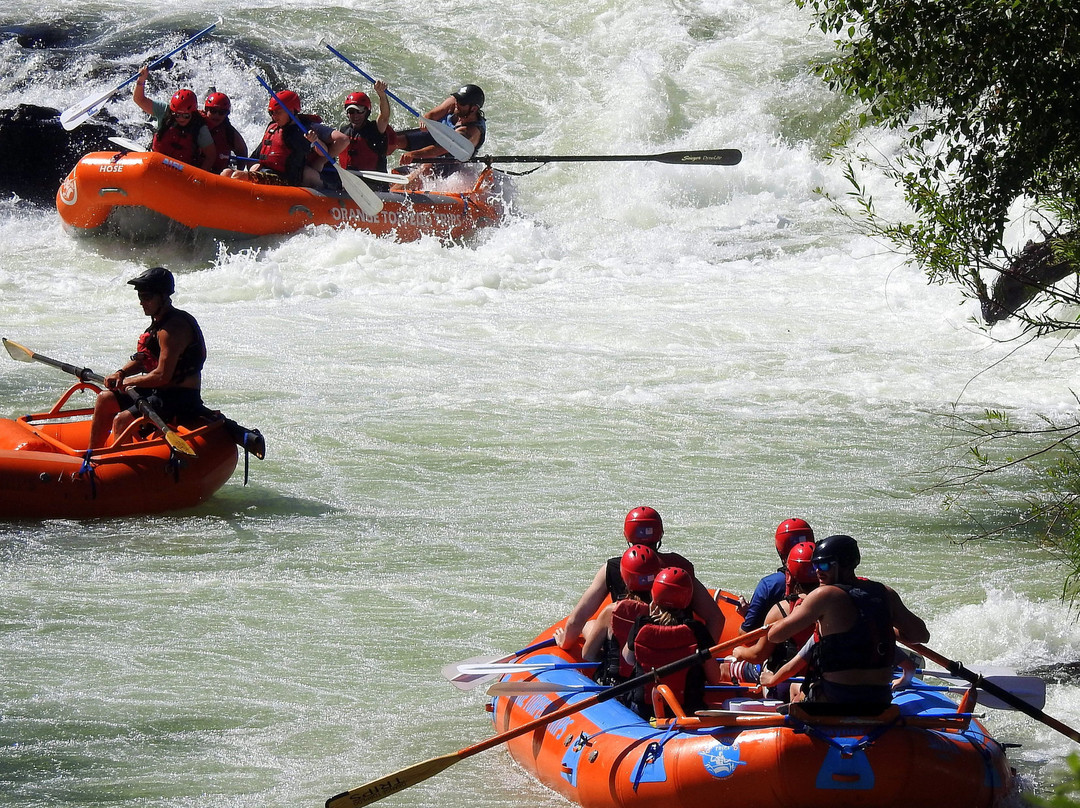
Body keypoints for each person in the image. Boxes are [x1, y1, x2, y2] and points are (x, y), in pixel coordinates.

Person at [765, 534, 930, 711]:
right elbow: (920, 635)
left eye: (824, 565)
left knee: (795, 688)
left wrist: (799, 612)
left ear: (843, 566)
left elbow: (775, 636)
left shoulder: (823, 595)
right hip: (879, 699)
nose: (818, 571)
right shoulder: (885, 593)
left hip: (835, 698)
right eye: (815, 566)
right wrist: (882, 625)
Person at [555, 506, 725, 649]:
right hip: (675, 648)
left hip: (628, 653)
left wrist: (564, 643)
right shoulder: (679, 569)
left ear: (626, 535)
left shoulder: (612, 568)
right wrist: (702, 658)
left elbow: (577, 619)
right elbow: (716, 618)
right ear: (660, 534)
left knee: (589, 624)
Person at [88, 267, 206, 450]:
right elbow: (144, 360)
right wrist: (120, 373)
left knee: (122, 420)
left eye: (147, 297)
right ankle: (91, 457)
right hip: (158, 393)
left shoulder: (173, 329)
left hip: (180, 399)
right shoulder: (158, 324)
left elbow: (162, 376)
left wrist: (128, 382)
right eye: (140, 297)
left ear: (163, 297)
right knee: (105, 398)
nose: (142, 303)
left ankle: (122, 472)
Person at [623, 567, 722, 718]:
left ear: (655, 593)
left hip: (644, 711)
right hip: (688, 710)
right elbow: (715, 678)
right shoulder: (697, 630)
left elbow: (628, 660)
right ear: (687, 597)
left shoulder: (641, 625)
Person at [730, 540, 819, 701]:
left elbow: (758, 654)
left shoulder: (779, 610)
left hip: (784, 682)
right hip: (820, 681)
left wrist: (740, 652)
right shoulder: (836, 603)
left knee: (729, 666)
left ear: (789, 576)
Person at [580, 544, 660, 686]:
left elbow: (588, 655)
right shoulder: (664, 612)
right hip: (649, 685)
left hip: (615, 683)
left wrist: (607, 654)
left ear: (624, 577)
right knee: (589, 626)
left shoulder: (611, 611)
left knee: (588, 626)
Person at [395, 84, 487, 185]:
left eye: (461, 102)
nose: (456, 102)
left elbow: (438, 149)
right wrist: (425, 121)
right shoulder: (454, 103)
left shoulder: (471, 132)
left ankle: (393, 193)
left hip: (449, 157)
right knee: (394, 141)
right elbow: (431, 115)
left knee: (424, 169)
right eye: (457, 98)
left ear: (473, 109)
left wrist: (413, 154)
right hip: (435, 137)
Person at [132, 64, 216, 171]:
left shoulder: (199, 127)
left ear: (193, 113)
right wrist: (141, 79)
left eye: (186, 116)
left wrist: (199, 179)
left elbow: (211, 155)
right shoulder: (165, 111)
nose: (180, 118)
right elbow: (139, 99)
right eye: (177, 115)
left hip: (182, 172)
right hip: (156, 164)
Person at [741, 518, 815, 632]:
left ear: (780, 550)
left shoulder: (769, 585)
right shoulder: (829, 578)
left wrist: (747, 613)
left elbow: (746, 635)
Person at [222, 90, 310, 186]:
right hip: (265, 172)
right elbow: (255, 157)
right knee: (226, 172)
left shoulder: (301, 133)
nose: (274, 117)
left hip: (285, 180)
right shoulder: (272, 127)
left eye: (278, 112)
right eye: (271, 113)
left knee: (238, 176)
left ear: (291, 111)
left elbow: (295, 168)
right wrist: (256, 167)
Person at [337, 82, 395, 173]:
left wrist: (382, 95)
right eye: (351, 111)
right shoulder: (343, 131)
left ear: (367, 112)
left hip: (373, 183)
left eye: (359, 111)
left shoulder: (375, 129)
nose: (355, 116)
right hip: (349, 180)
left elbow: (384, 117)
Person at [203, 90, 248, 173]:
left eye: (221, 112)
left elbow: (242, 151)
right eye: (213, 111)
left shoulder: (229, 132)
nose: (217, 115)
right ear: (206, 109)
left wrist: (238, 171)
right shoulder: (195, 123)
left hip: (217, 173)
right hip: (194, 168)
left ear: (227, 114)